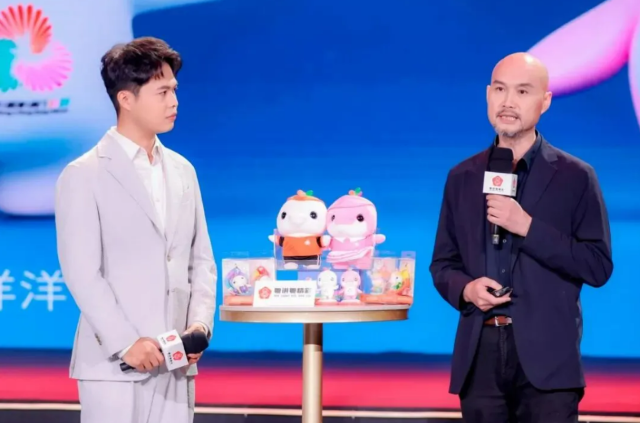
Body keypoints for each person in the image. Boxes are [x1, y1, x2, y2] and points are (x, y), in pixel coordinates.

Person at [429, 52, 613, 423]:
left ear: (545, 101)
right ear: (488, 95)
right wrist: (467, 290)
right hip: (479, 357)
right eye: (500, 90)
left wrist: (527, 227)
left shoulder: (576, 176)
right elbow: (443, 264)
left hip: (549, 363)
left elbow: (597, 266)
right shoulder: (462, 177)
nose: (508, 102)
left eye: (523, 92)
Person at [54, 37, 217, 423]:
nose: (174, 101)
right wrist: (126, 342)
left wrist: (199, 326)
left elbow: (201, 260)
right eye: (162, 92)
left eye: (174, 89)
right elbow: (81, 272)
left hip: (177, 361)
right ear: (126, 99)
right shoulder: (84, 174)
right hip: (115, 366)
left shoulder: (183, 170)